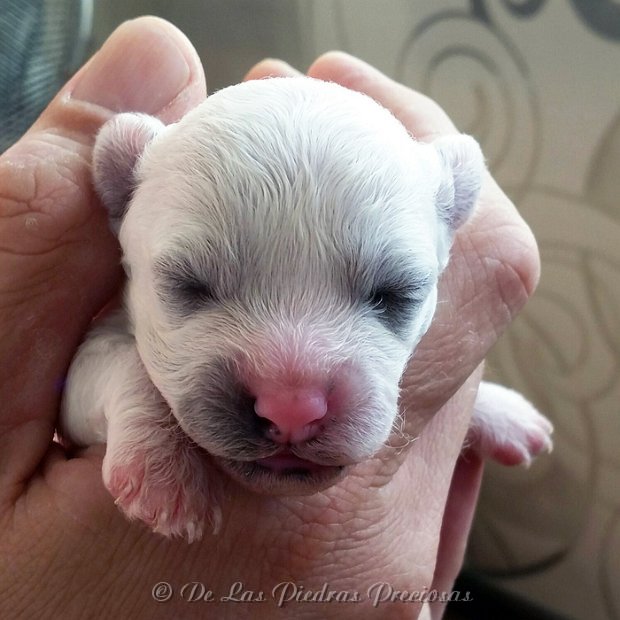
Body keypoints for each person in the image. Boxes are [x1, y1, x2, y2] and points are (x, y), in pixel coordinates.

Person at [0, 17, 539, 620]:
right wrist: (133, 406)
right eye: (194, 288)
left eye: (389, 298)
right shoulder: (112, 297)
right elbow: (77, 379)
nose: (290, 408)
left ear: (451, 215)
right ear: (125, 194)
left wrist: (466, 405)